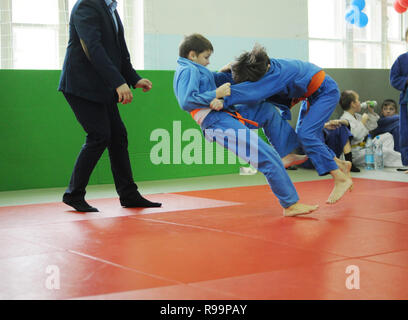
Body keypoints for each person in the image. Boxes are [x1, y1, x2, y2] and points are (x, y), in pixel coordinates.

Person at [173, 34, 318, 217]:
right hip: (216, 122)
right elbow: (186, 101)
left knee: (265, 109)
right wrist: (215, 93)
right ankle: (290, 204)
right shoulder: (187, 70)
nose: (208, 62)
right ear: (192, 55)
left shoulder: (195, 68)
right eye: (206, 57)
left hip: (225, 114)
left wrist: (225, 72)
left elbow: (211, 81)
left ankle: (286, 152)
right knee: (265, 154)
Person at [58, 0, 161, 212]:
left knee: (118, 136)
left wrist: (133, 78)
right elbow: (93, 48)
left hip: (101, 86)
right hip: (81, 85)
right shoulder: (86, 6)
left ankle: (129, 194)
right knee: (99, 135)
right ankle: (74, 194)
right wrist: (118, 82)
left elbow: (120, 51)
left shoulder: (110, 8)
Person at [220, 44, 353, 204]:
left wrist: (214, 97)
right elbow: (247, 77)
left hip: (325, 92)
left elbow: (251, 92)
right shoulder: (262, 66)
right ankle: (341, 165)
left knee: (306, 135)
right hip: (311, 95)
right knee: (304, 138)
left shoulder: (275, 74)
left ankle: (340, 179)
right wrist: (230, 68)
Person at [339, 91, 403, 168]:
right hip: (355, 154)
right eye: (358, 100)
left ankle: (386, 158)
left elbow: (372, 126)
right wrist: (363, 122)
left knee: (388, 136)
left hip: (364, 147)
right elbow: (356, 136)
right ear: (353, 104)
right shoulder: (345, 119)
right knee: (383, 151)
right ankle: (403, 160)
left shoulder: (357, 116)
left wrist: (371, 112)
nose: (360, 102)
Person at [390, 28, 408, 170]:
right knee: (406, 133)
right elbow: (394, 79)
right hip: (406, 102)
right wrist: (406, 81)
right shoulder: (401, 60)